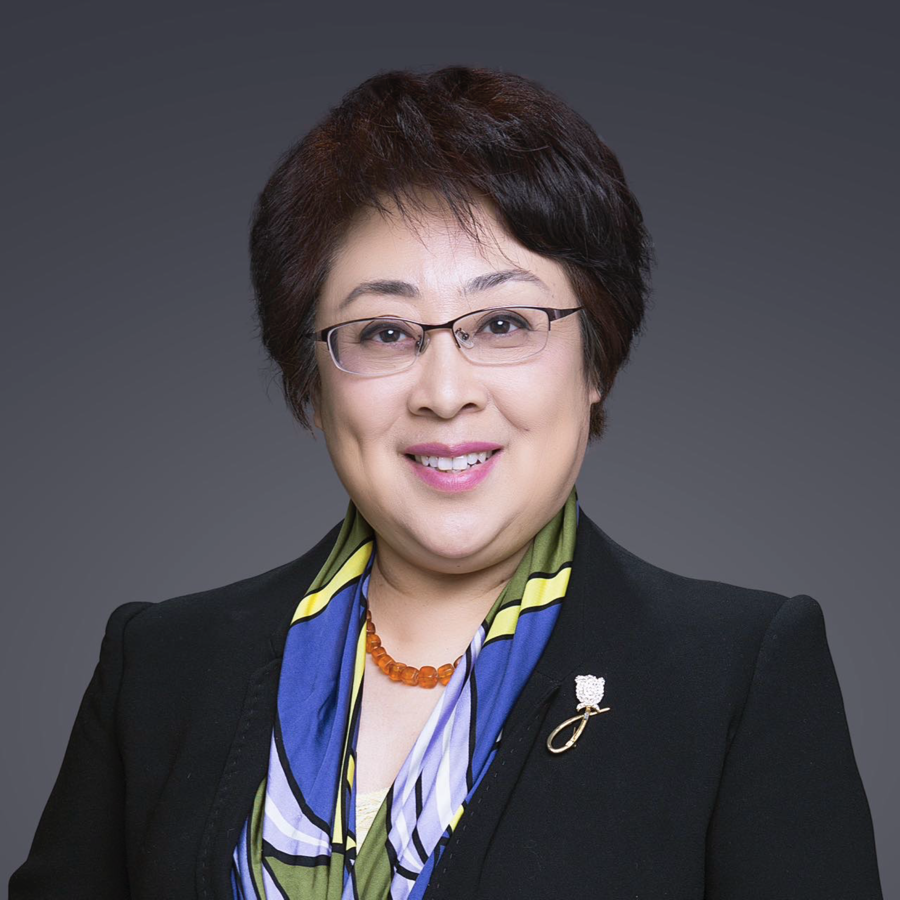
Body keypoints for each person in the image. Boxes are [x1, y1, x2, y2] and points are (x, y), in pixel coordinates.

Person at [9, 65, 884, 900]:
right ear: (312, 386)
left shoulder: (736, 677)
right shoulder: (163, 666)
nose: (444, 391)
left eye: (503, 323)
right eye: (385, 332)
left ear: (596, 361)